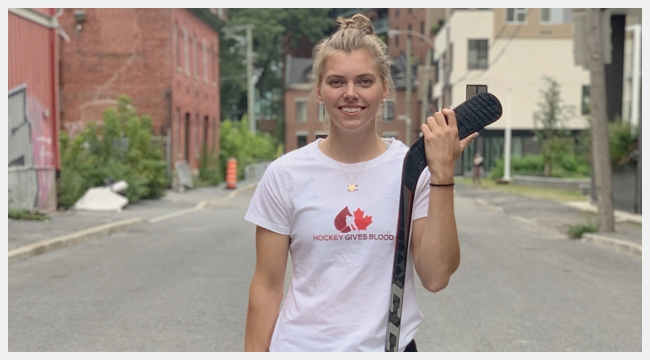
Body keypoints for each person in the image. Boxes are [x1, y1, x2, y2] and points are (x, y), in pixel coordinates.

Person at [244, 14, 478, 352]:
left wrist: (442, 175)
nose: (350, 93)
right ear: (320, 91)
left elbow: (436, 277)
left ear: (384, 88)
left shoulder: (412, 169)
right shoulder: (286, 173)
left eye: (364, 81)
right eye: (337, 82)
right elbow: (266, 285)